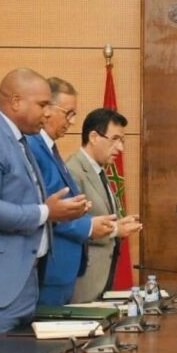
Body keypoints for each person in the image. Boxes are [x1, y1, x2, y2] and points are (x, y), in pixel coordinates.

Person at [0, 68, 89, 346]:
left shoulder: (18, 140)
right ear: (16, 102)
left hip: (23, 282)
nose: (47, 113)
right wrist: (46, 212)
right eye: (42, 105)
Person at [26, 78, 116, 305]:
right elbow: (48, 208)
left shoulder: (50, 148)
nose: (73, 122)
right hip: (48, 270)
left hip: (64, 271)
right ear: (47, 109)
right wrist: (89, 225)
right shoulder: (33, 148)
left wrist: (82, 210)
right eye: (69, 114)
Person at [66, 108, 142, 303]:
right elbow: (69, 225)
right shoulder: (73, 171)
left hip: (103, 278)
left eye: (122, 141)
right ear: (93, 137)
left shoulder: (99, 170)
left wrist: (119, 224)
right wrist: (115, 230)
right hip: (83, 281)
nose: (120, 148)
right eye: (114, 139)